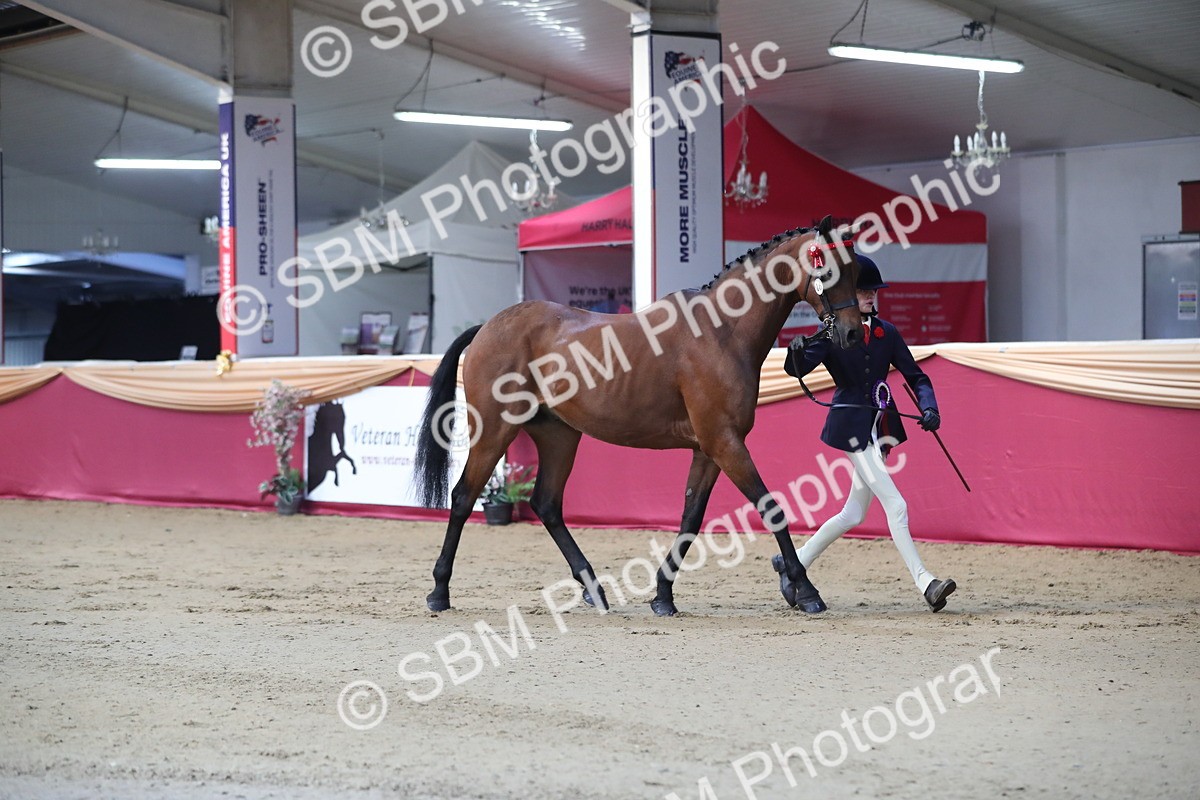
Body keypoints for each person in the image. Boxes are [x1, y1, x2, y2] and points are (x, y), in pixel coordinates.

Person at [777, 254, 957, 612]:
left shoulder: (887, 333)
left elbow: (916, 377)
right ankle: (926, 582)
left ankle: (793, 561)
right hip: (852, 428)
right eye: (862, 291)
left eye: (872, 291)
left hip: (881, 427)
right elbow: (796, 368)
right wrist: (795, 352)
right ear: (846, 293)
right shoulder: (832, 333)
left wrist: (930, 407)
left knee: (853, 515)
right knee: (897, 504)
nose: (870, 297)